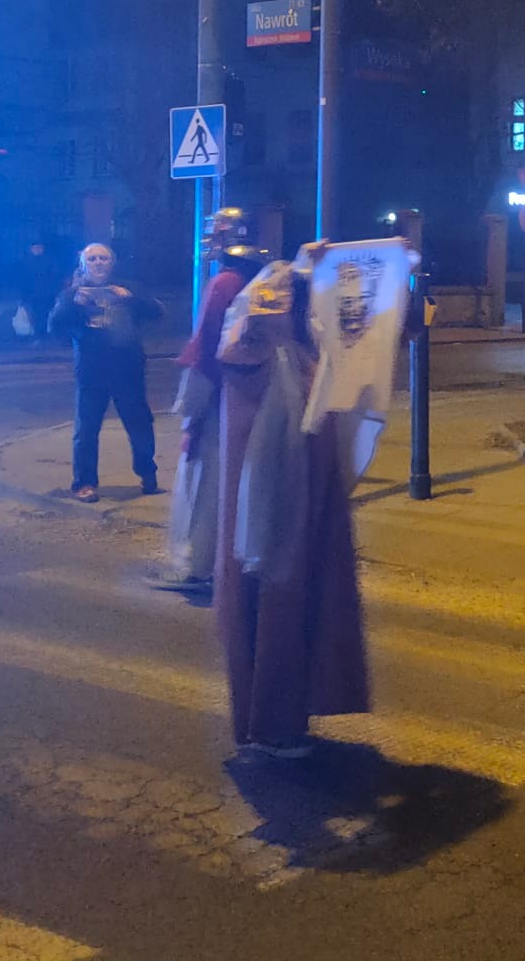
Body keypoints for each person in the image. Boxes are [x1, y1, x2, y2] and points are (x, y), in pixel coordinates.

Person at [212, 251, 371, 755]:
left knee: (307, 601)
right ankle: (270, 724)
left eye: (291, 297)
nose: (281, 302)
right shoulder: (254, 351)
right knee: (272, 604)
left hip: (308, 498)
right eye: (274, 295)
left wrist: (392, 275)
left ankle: (288, 714)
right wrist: (292, 275)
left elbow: (372, 339)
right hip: (271, 508)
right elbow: (242, 339)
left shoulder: (303, 351)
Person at [150, 210, 261, 592]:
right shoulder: (263, 280)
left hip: (217, 401)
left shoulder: (223, 284)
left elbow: (206, 349)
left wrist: (190, 411)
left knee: (204, 484)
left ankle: (197, 566)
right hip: (252, 400)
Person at [48, 243, 162, 503]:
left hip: (128, 370)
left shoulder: (128, 288)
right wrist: (74, 306)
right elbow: (55, 327)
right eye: (92, 259)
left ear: (112, 263)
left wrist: (130, 298)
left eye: (103, 258)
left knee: (140, 425)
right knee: (86, 429)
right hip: (91, 371)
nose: (98, 263)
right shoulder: (72, 294)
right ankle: (84, 483)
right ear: (83, 265)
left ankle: (148, 475)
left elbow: (157, 312)